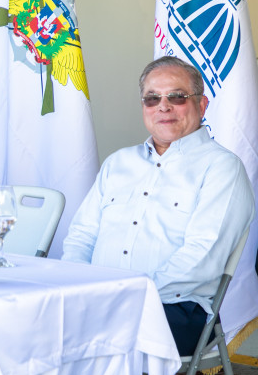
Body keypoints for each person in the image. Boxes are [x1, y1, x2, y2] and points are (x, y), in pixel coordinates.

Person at [62, 56, 254, 356]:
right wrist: (79, 289)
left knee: (75, 336)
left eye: (177, 97)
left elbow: (202, 257)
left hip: (174, 308)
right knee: (28, 320)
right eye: (152, 98)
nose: (163, 107)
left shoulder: (221, 168)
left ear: (202, 105)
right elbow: (81, 237)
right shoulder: (118, 163)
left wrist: (127, 297)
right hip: (98, 298)